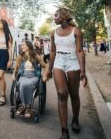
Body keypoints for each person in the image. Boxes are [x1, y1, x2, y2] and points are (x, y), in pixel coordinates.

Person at [44, 7, 87, 139]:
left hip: (73, 61)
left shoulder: (76, 31)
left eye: (56, 15)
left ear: (63, 16)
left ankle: (75, 120)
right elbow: (52, 52)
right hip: (59, 61)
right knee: (62, 93)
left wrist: (83, 71)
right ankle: (64, 130)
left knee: (74, 94)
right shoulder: (53, 33)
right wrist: (49, 69)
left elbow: (79, 51)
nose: (54, 18)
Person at [12, 40, 47, 117]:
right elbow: (16, 67)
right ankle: (24, 106)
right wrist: (14, 74)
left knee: (28, 84)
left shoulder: (35, 55)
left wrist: (44, 75)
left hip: (33, 76)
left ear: (28, 46)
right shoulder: (20, 56)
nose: (22, 46)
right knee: (21, 84)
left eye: (24, 45)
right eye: (22, 45)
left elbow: (44, 65)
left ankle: (27, 107)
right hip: (24, 75)